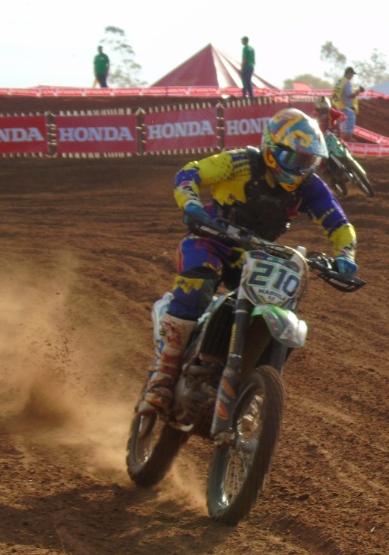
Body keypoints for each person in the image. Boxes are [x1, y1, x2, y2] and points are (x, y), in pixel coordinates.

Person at [137, 108, 359, 415]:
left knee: (278, 306)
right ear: (271, 150)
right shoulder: (241, 162)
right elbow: (191, 173)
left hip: (256, 255)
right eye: (294, 159)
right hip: (211, 239)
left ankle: (251, 387)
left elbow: (340, 225)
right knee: (198, 285)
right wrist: (191, 204)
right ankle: (164, 371)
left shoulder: (309, 186)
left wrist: (345, 255)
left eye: (308, 162)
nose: (300, 169)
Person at [331, 67, 364, 141]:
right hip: (347, 110)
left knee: (342, 131)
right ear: (349, 73)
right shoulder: (346, 82)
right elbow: (350, 95)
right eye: (352, 74)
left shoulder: (339, 82)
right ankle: (348, 148)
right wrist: (359, 91)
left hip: (340, 108)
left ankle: (342, 146)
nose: (352, 76)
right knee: (348, 131)